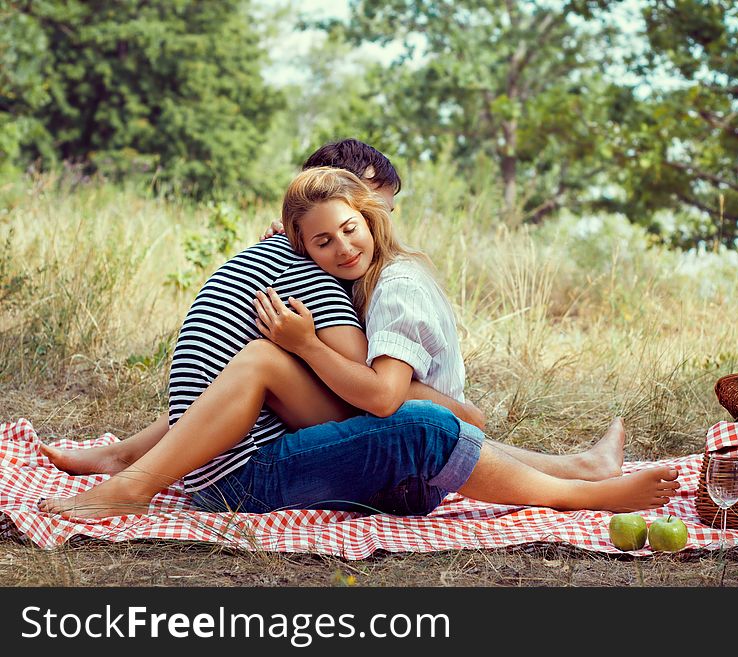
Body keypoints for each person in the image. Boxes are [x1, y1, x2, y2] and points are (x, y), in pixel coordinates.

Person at [39, 166, 679, 519]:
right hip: (246, 477)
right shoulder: (316, 284)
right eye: (324, 239)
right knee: (423, 424)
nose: (342, 247)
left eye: (350, 229)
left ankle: (574, 468)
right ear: (298, 238)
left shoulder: (289, 267)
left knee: (417, 415)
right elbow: (373, 401)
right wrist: (448, 409)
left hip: (224, 473)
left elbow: (336, 398)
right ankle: (579, 489)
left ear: (368, 216)